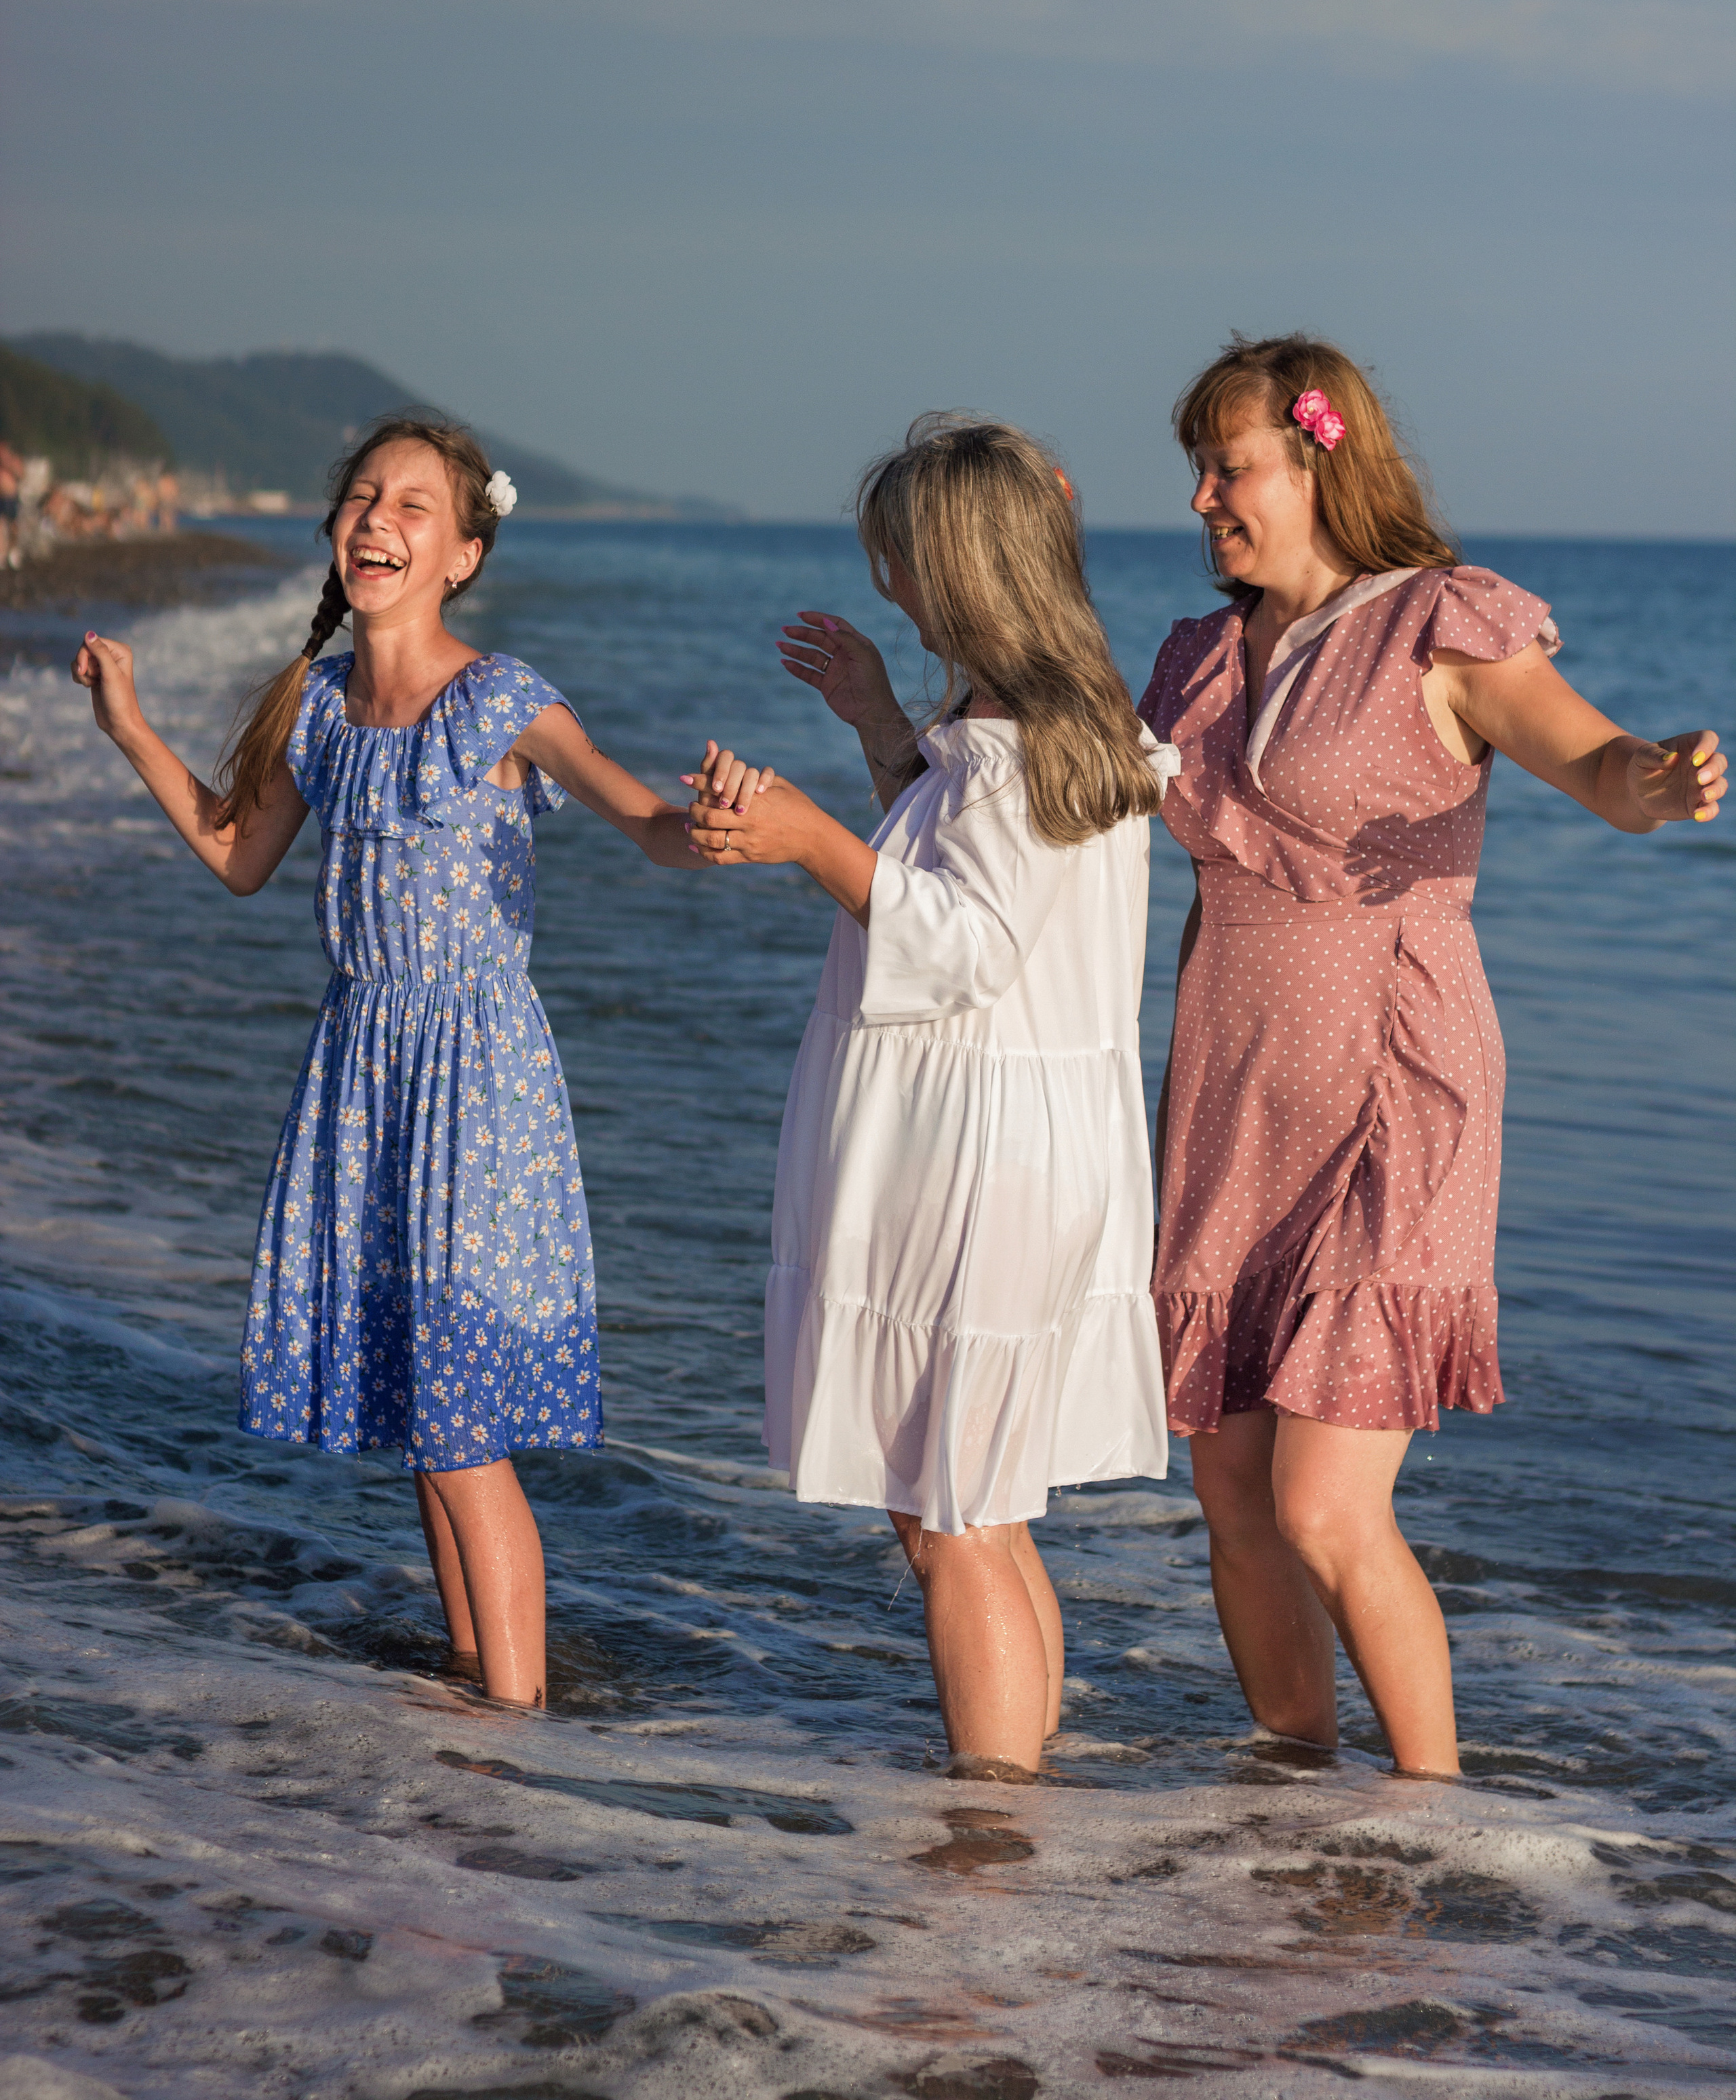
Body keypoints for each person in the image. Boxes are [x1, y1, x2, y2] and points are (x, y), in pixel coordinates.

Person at [73, 413, 768, 1709]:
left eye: (413, 506)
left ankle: (512, 1738)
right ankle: (468, 1692)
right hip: (361, 1073)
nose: (378, 519)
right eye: (363, 497)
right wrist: (128, 729)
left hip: (476, 1085)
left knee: (460, 1434)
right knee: (416, 1419)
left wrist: (722, 825)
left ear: (462, 553)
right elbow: (236, 858)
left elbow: (643, 821)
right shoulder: (320, 710)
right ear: (337, 530)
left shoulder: (503, 699)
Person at [1137, 335, 1726, 1778]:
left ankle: (1427, 1815)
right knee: (1228, 1491)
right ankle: (1291, 1795)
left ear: (1321, 458)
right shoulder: (1196, 657)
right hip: (1227, 1081)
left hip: (1394, 1079)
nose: (1205, 497)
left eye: (1231, 466)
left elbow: (1586, 761)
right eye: (1196, 471)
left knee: (1327, 1505)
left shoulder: (1438, 627)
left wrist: (1648, 777)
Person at [687, 414, 1175, 1776]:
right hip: (1014, 1135)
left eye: (895, 557)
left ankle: (989, 1836)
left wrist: (803, 839)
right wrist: (879, 726)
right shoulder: (1025, 722)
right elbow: (962, 863)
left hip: (980, 1151)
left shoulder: (1022, 738)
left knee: (953, 1509)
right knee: (965, 1503)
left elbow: (963, 946)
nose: (885, 579)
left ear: (952, 566)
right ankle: (1017, 1786)